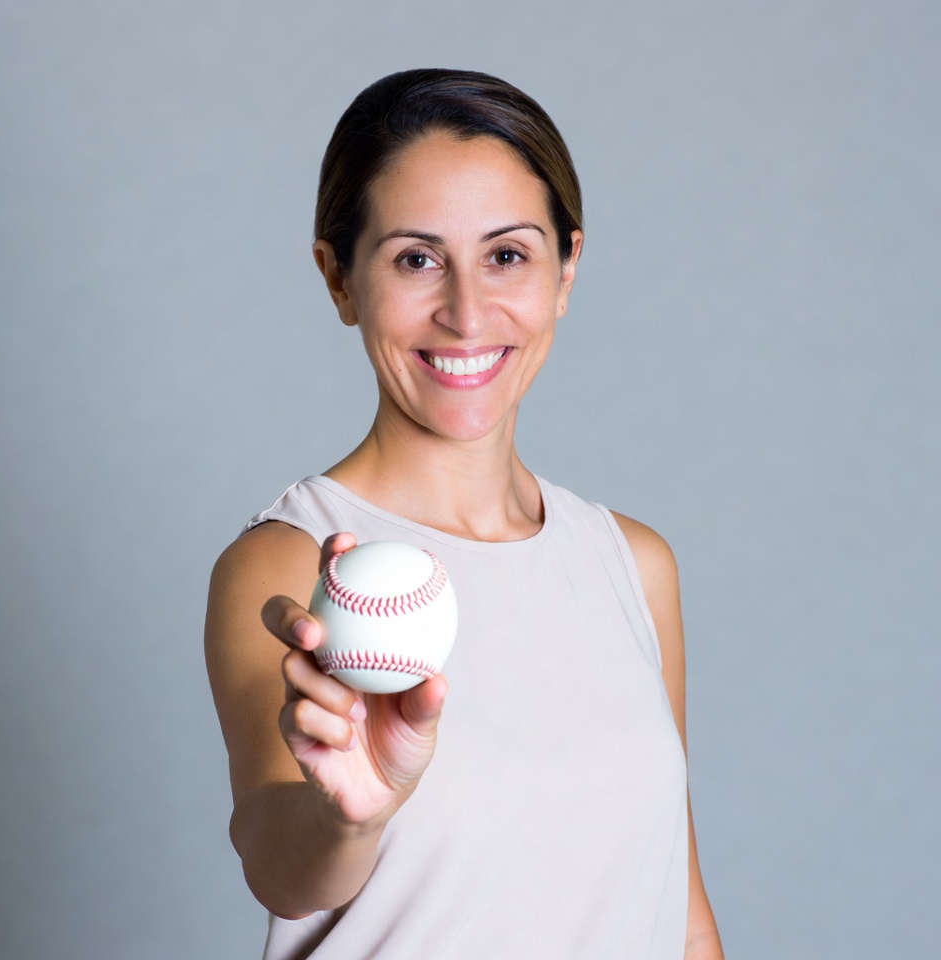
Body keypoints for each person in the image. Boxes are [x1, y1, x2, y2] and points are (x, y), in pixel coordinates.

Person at [205, 68, 724, 959]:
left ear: (567, 269)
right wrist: (348, 819)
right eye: (416, 258)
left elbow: (677, 909)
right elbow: (276, 860)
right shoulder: (292, 565)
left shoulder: (633, 564)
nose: (467, 311)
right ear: (339, 280)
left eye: (508, 255)